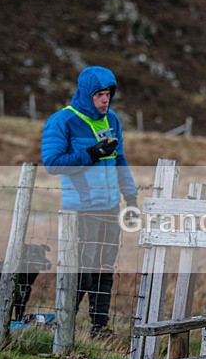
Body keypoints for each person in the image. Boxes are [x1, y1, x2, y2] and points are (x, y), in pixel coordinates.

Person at [42, 66, 138, 338]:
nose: (105, 100)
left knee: (105, 268)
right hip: (81, 210)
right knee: (82, 270)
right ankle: (64, 323)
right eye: (99, 95)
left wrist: (131, 197)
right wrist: (92, 153)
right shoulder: (63, 121)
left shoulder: (112, 120)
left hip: (111, 207)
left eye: (108, 94)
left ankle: (100, 326)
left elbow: (120, 160)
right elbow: (52, 163)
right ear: (86, 94)